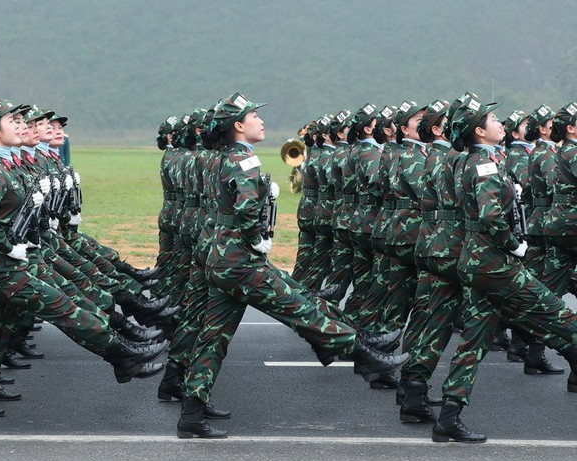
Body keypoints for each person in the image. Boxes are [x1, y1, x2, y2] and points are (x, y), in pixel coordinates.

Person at [180, 93, 407, 439]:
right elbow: (245, 209)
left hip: (222, 257)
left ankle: (192, 413)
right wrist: (256, 237)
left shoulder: (222, 157)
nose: (261, 121)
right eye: (254, 116)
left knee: (214, 335)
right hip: (240, 261)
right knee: (298, 307)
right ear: (238, 126)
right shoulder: (243, 159)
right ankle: (365, 355)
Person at [0, 97, 167, 438]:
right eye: (12, 121)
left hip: (1, 267)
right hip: (1, 269)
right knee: (63, 307)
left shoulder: (10, 164)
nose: (20, 126)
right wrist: (8, 245)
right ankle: (122, 356)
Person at [431, 98, 577, 443]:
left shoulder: (477, 160)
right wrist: (514, 245)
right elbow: (491, 216)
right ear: (479, 132)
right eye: (493, 119)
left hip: (478, 262)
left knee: (473, 342)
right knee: (560, 316)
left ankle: (448, 418)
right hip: (495, 264)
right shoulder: (484, 164)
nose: (500, 123)